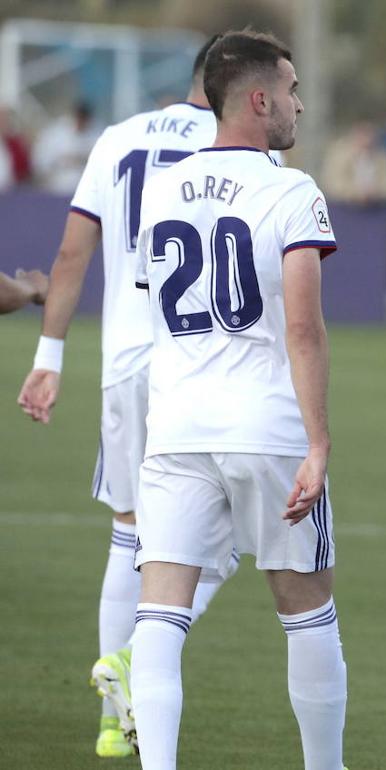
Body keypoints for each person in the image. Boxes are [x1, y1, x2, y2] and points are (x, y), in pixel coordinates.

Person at [127, 30, 347, 770]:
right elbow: (303, 328)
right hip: (267, 426)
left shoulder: (160, 189)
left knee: (160, 612)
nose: (298, 104)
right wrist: (319, 444)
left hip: (176, 425)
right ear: (259, 100)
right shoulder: (290, 189)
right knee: (307, 608)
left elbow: (151, 306)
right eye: (289, 90)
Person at [15, 36, 236, 759]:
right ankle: (140, 657)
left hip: (124, 364)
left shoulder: (119, 137)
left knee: (129, 531)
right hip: (203, 365)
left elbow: (71, 255)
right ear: (243, 83)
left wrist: (49, 356)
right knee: (239, 531)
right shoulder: (239, 146)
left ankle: (116, 718)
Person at [34, 101, 99, 194]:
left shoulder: (96, 134)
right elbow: (42, 161)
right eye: (78, 117)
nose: (80, 122)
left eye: (83, 118)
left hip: (84, 192)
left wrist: (80, 159)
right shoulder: (57, 133)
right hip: (56, 189)